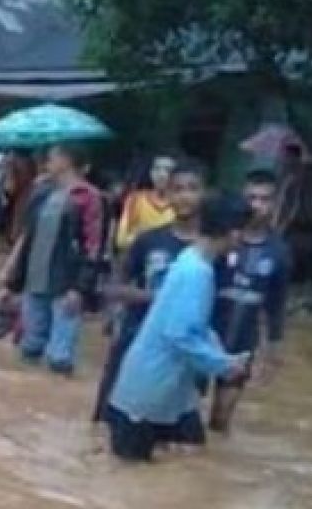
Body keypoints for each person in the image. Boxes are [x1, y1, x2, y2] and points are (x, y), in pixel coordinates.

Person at [105, 193, 253, 463]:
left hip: (167, 392)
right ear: (233, 233)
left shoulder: (192, 260)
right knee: (135, 476)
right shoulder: (195, 273)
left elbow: (192, 325)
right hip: (149, 394)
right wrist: (223, 365)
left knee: (191, 462)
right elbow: (179, 335)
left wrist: (220, 353)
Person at [91, 160, 206, 423]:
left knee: (174, 431)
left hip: (184, 351)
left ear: (204, 194)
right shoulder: (150, 240)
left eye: (192, 189)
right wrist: (157, 299)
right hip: (137, 338)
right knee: (110, 420)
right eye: (178, 189)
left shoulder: (211, 248)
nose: (185, 196)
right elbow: (113, 286)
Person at [5, 144, 104, 375]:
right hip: (34, 280)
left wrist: (80, 288)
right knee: (29, 348)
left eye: (52, 157)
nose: (47, 162)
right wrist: (11, 275)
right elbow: (27, 236)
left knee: (59, 357)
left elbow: (94, 246)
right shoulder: (42, 193)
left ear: (67, 161)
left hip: (66, 285)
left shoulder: (88, 198)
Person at [208, 170, 291, 433]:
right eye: (251, 198)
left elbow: (276, 305)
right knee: (181, 418)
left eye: (264, 199)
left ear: (275, 204)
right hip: (205, 335)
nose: (257, 206)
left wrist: (273, 351)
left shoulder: (279, 252)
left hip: (242, 343)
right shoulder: (221, 241)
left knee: (221, 420)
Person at [115, 154, 177, 261]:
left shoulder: (180, 204)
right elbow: (121, 240)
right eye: (157, 169)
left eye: (167, 170)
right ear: (151, 173)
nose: (161, 174)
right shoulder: (135, 200)